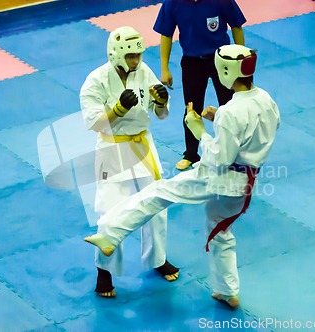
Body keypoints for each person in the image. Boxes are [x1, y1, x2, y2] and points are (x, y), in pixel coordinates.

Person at [85, 44, 280, 308]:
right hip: (244, 185)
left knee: (158, 192)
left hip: (218, 177)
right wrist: (218, 122)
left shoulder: (229, 112)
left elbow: (218, 158)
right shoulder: (267, 100)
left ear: (225, 70)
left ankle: (109, 233)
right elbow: (256, 130)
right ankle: (227, 290)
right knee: (220, 232)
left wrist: (200, 130)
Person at [79, 26, 179, 298]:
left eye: (139, 54)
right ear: (117, 54)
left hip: (143, 146)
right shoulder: (95, 80)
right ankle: (104, 270)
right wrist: (117, 110)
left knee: (157, 204)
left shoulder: (144, 71)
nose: (136, 60)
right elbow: (92, 123)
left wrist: (161, 102)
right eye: (132, 56)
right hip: (113, 150)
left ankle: (157, 259)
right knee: (110, 212)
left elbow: (159, 115)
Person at [153, 0, 247, 170]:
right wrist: (164, 69)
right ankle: (191, 154)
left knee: (230, 108)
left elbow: (236, 26)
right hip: (192, 62)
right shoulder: (173, 3)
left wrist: (242, 57)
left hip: (222, 60)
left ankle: (234, 151)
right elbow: (166, 34)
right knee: (191, 108)